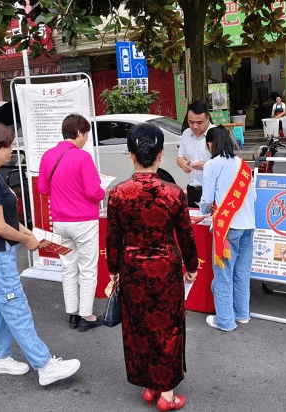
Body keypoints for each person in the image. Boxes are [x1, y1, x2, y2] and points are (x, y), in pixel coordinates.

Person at [0, 121, 81, 386]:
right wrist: (27, 240)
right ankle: (44, 364)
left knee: (3, 306)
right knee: (16, 307)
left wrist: (29, 235)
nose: (11, 149)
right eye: (7, 145)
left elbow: (5, 219)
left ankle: (0, 357)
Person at [106, 123, 198, 411]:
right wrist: (192, 266)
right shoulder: (173, 194)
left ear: (131, 156)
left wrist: (113, 270)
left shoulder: (118, 194)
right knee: (168, 327)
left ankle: (148, 385)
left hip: (132, 268)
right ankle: (167, 394)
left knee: (138, 327)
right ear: (160, 155)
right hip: (166, 268)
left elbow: (113, 238)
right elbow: (185, 235)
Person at [37, 114, 105, 331]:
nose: (85, 139)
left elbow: (43, 189)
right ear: (78, 133)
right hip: (84, 221)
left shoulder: (48, 155)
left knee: (68, 268)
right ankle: (87, 315)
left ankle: (72, 314)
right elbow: (94, 192)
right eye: (85, 134)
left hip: (60, 222)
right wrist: (105, 191)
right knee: (87, 268)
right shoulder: (83, 158)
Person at [200, 126, 256, 332]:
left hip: (227, 228)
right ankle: (242, 314)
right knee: (241, 273)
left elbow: (206, 200)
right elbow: (253, 196)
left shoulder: (212, 165)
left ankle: (224, 320)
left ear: (210, 144)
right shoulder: (243, 165)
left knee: (223, 275)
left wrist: (205, 210)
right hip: (248, 225)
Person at [176, 100, 214, 208]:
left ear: (207, 118)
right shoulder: (186, 134)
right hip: (192, 189)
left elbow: (226, 163)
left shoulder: (217, 134)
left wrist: (206, 166)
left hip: (211, 189)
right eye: (191, 122)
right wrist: (183, 163)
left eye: (199, 123)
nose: (195, 127)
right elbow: (180, 157)